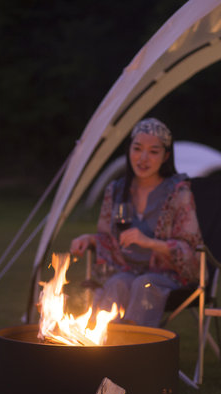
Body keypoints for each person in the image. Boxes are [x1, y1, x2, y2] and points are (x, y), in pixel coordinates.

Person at [69, 118, 203, 328]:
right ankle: (102, 343)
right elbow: (108, 239)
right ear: (129, 150)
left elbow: (190, 250)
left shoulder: (178, 193)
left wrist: (149, 242)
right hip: (126, 270)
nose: (143, 158)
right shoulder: (116, 191)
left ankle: (134, 348)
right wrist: (88, 239)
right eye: (137, 148)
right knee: (117, 283)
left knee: (145, 284)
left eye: (153, 151)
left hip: (168, 275)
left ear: (165, 156)